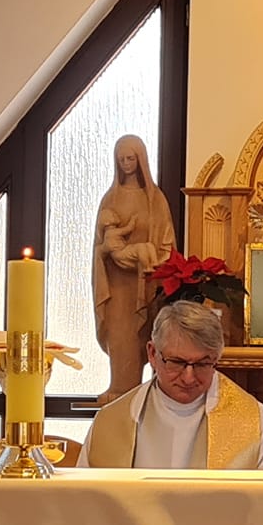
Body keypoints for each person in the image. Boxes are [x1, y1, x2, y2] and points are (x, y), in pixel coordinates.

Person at [78, 300, 263, 470]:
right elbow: (87, 502)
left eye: (202, 364)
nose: (189, 378)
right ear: (152, 353)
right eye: (177, 362)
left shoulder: (259, 424)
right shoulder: (110, 423)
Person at [92, 134, 175, 405]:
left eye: (131, 158)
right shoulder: (110, 199)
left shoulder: (156, 200)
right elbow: (100, 246)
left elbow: (167, 244)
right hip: (118, 286)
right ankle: (121, 389)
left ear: (141, 160)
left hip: (147, 283)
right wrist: (112, 254)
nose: (126, 164)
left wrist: (151, 260)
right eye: (121, 160)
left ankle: (153, 392)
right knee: (121, 336)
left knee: (148, 333)